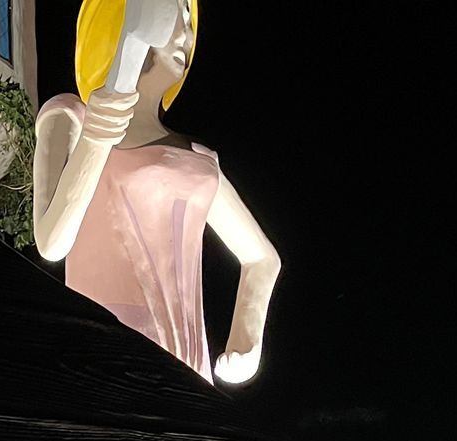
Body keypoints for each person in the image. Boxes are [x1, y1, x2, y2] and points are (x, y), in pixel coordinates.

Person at [32, 0, 280, 385]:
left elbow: (262, 259)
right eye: (174, 14)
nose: (186, 33)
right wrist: (97, 136)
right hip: (104, 354)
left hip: (190, 365)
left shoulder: (200, 158)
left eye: (190, 19)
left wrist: (247, 339)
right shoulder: (69, 118)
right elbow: (51, 241)